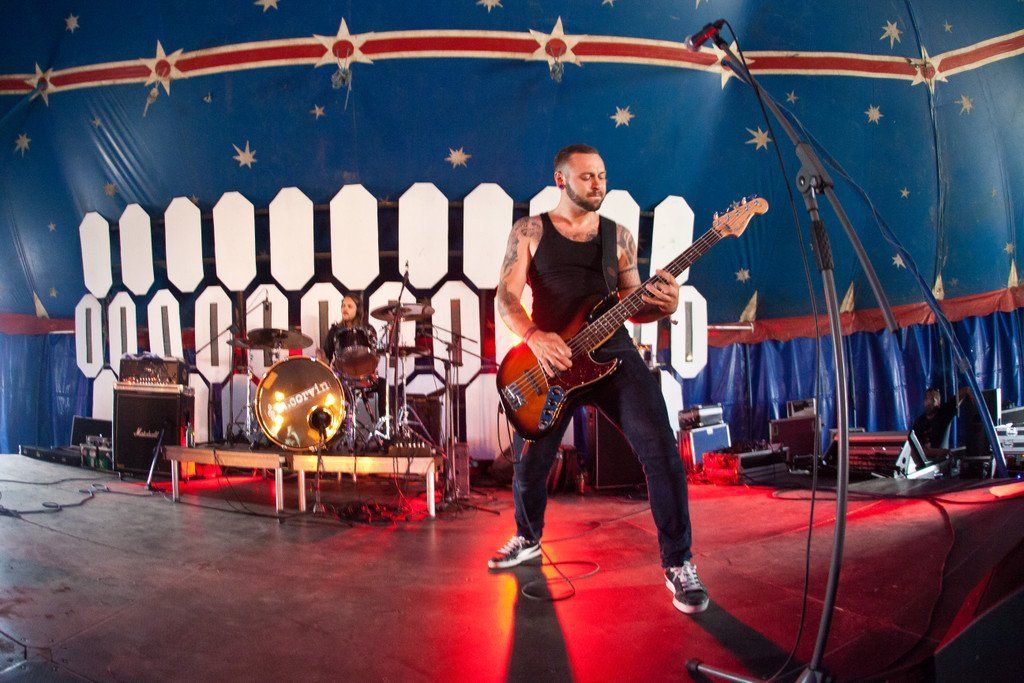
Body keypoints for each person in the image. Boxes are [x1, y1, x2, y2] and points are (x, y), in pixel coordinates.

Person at [489, 143, 708, 615]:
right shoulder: (529, 231)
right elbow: (505, 298)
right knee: (531, 461)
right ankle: (527, 537)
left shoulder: (618, 236)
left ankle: (679, 562)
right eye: (587, 176)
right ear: (561, 180)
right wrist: (533, 336)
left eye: (602, 176)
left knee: (661, 450)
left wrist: (663, 306)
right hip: (552, 361)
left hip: (614, 357)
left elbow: (633, 304)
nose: (598, 184)